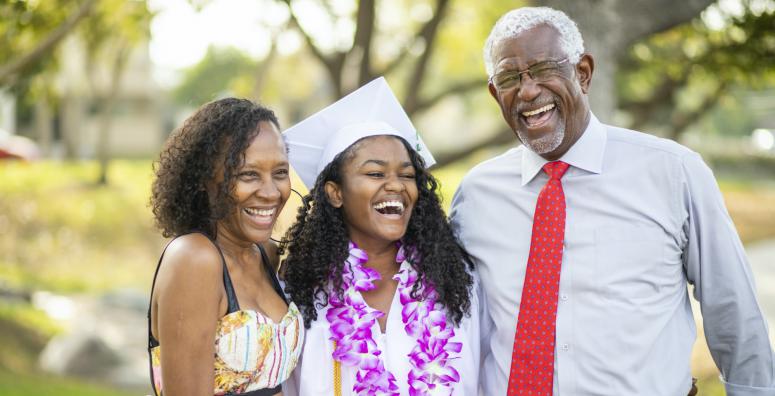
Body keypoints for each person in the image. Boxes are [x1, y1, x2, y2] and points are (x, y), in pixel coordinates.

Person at [449, 6, 775, 396]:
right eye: (509, 78)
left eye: (544, 69)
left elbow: (735, 315)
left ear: (582, 73)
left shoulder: (674, 173)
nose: (528, 90)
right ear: (494, 93)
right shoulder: (476, 196)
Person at [280, 77, 481, 395]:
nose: (396, 185)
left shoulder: (454, 281)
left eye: (407, 175)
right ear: (335, 193)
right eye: (375, 173)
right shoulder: (304, 292)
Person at [147, 98, 304, 396]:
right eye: (248, 175)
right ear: (206, 180)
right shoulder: (195, 259)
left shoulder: (266, 254)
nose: (271, 192)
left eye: (280, 173)